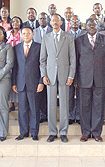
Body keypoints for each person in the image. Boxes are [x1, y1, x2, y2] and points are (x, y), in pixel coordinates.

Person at [40, 13, 76, 143]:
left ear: (61, 22)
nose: (55, 22)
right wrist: (44, 75)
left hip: (64, 75)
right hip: (50, 76)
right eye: (53, 20)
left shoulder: (69, 37)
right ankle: (52, 132)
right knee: (51, 105)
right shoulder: (46, 37)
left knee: (64, 106)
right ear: (50, 22)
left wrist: (71, 75)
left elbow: (73, 58)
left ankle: (63, 132)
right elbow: (42, 59)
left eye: (57, 20)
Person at [75, 18, 105, 142]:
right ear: (85, 26)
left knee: (98, 107)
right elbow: (76, 61)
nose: (91, 26)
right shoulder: (79, 41)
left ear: (98, 26)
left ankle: (96, 132)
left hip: (100, 79)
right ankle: (85, 132)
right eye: (89, 25)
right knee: (84, 107)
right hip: (84, 79)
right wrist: (76, 79)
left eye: (94, 24)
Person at [13, 27, 44, 141]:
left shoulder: (39, 47)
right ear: (21, 35)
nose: (26, 35)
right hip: (21, 83)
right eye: (24, 33)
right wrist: (14, 83)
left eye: (28, 33)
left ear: (32, 34)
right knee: (22, 109)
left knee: (34, 108)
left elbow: (42, 66)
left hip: (34, 83)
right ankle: (23, 132)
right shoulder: (16, 48)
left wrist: (41, 82)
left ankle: (34, 133)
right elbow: (15, 67)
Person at [67, 15, 87, 125]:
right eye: (72, 20)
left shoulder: (84, 34)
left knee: (80, 94)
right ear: (69, 22)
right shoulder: (65, 34)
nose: (75, 22)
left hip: (82, 68)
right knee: (69, 94)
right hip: (69, 67)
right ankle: (70, 115)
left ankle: (79, 116)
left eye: (77, 20)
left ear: (80, 22)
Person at [33, 12, 52, 123]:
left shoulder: (52, 31)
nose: (42, 20)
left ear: (48, 20)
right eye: (40, 18)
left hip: (49, 64)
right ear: (38, 20)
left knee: (48, 91)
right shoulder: (33, 32)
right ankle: (41, 114)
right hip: (36, 64)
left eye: (44, 18)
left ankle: (48, 113)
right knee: (39, 91)